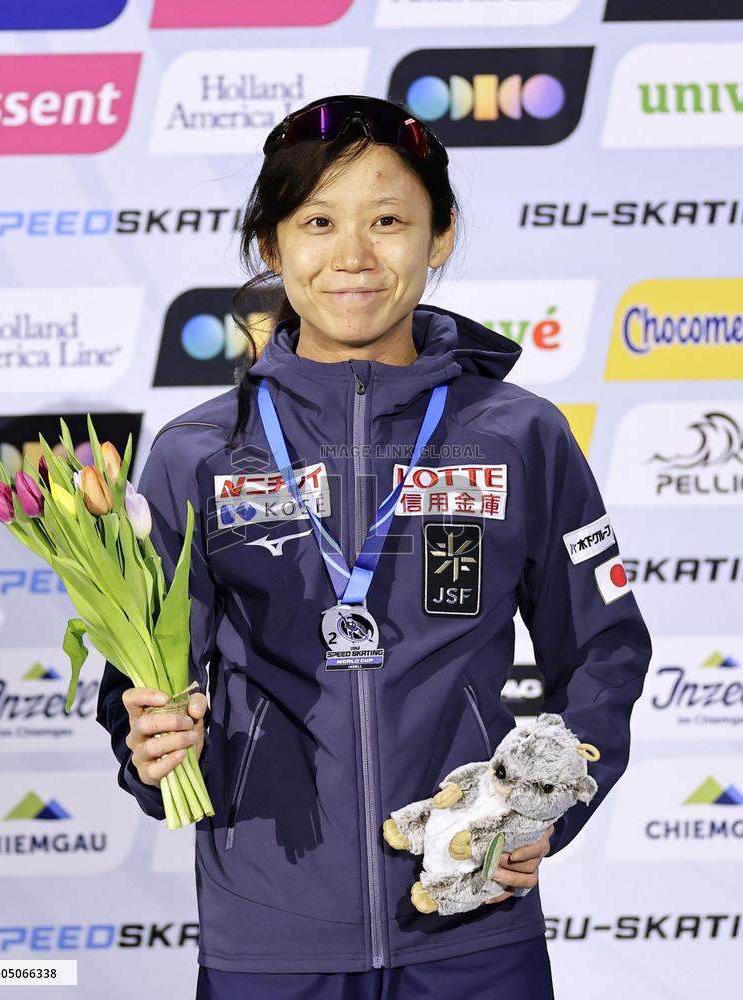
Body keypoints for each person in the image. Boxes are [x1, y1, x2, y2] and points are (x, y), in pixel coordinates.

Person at [96, 94, 653, 999]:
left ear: (439, 236)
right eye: (317, 222)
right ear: (271, 247)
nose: (352, 255)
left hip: (469, 926)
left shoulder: (518, 436)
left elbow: (604, 648)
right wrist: (153, 751)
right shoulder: (197, 454)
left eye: (388, 220)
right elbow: (140, 683)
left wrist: (539, 807)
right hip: (268, 938)